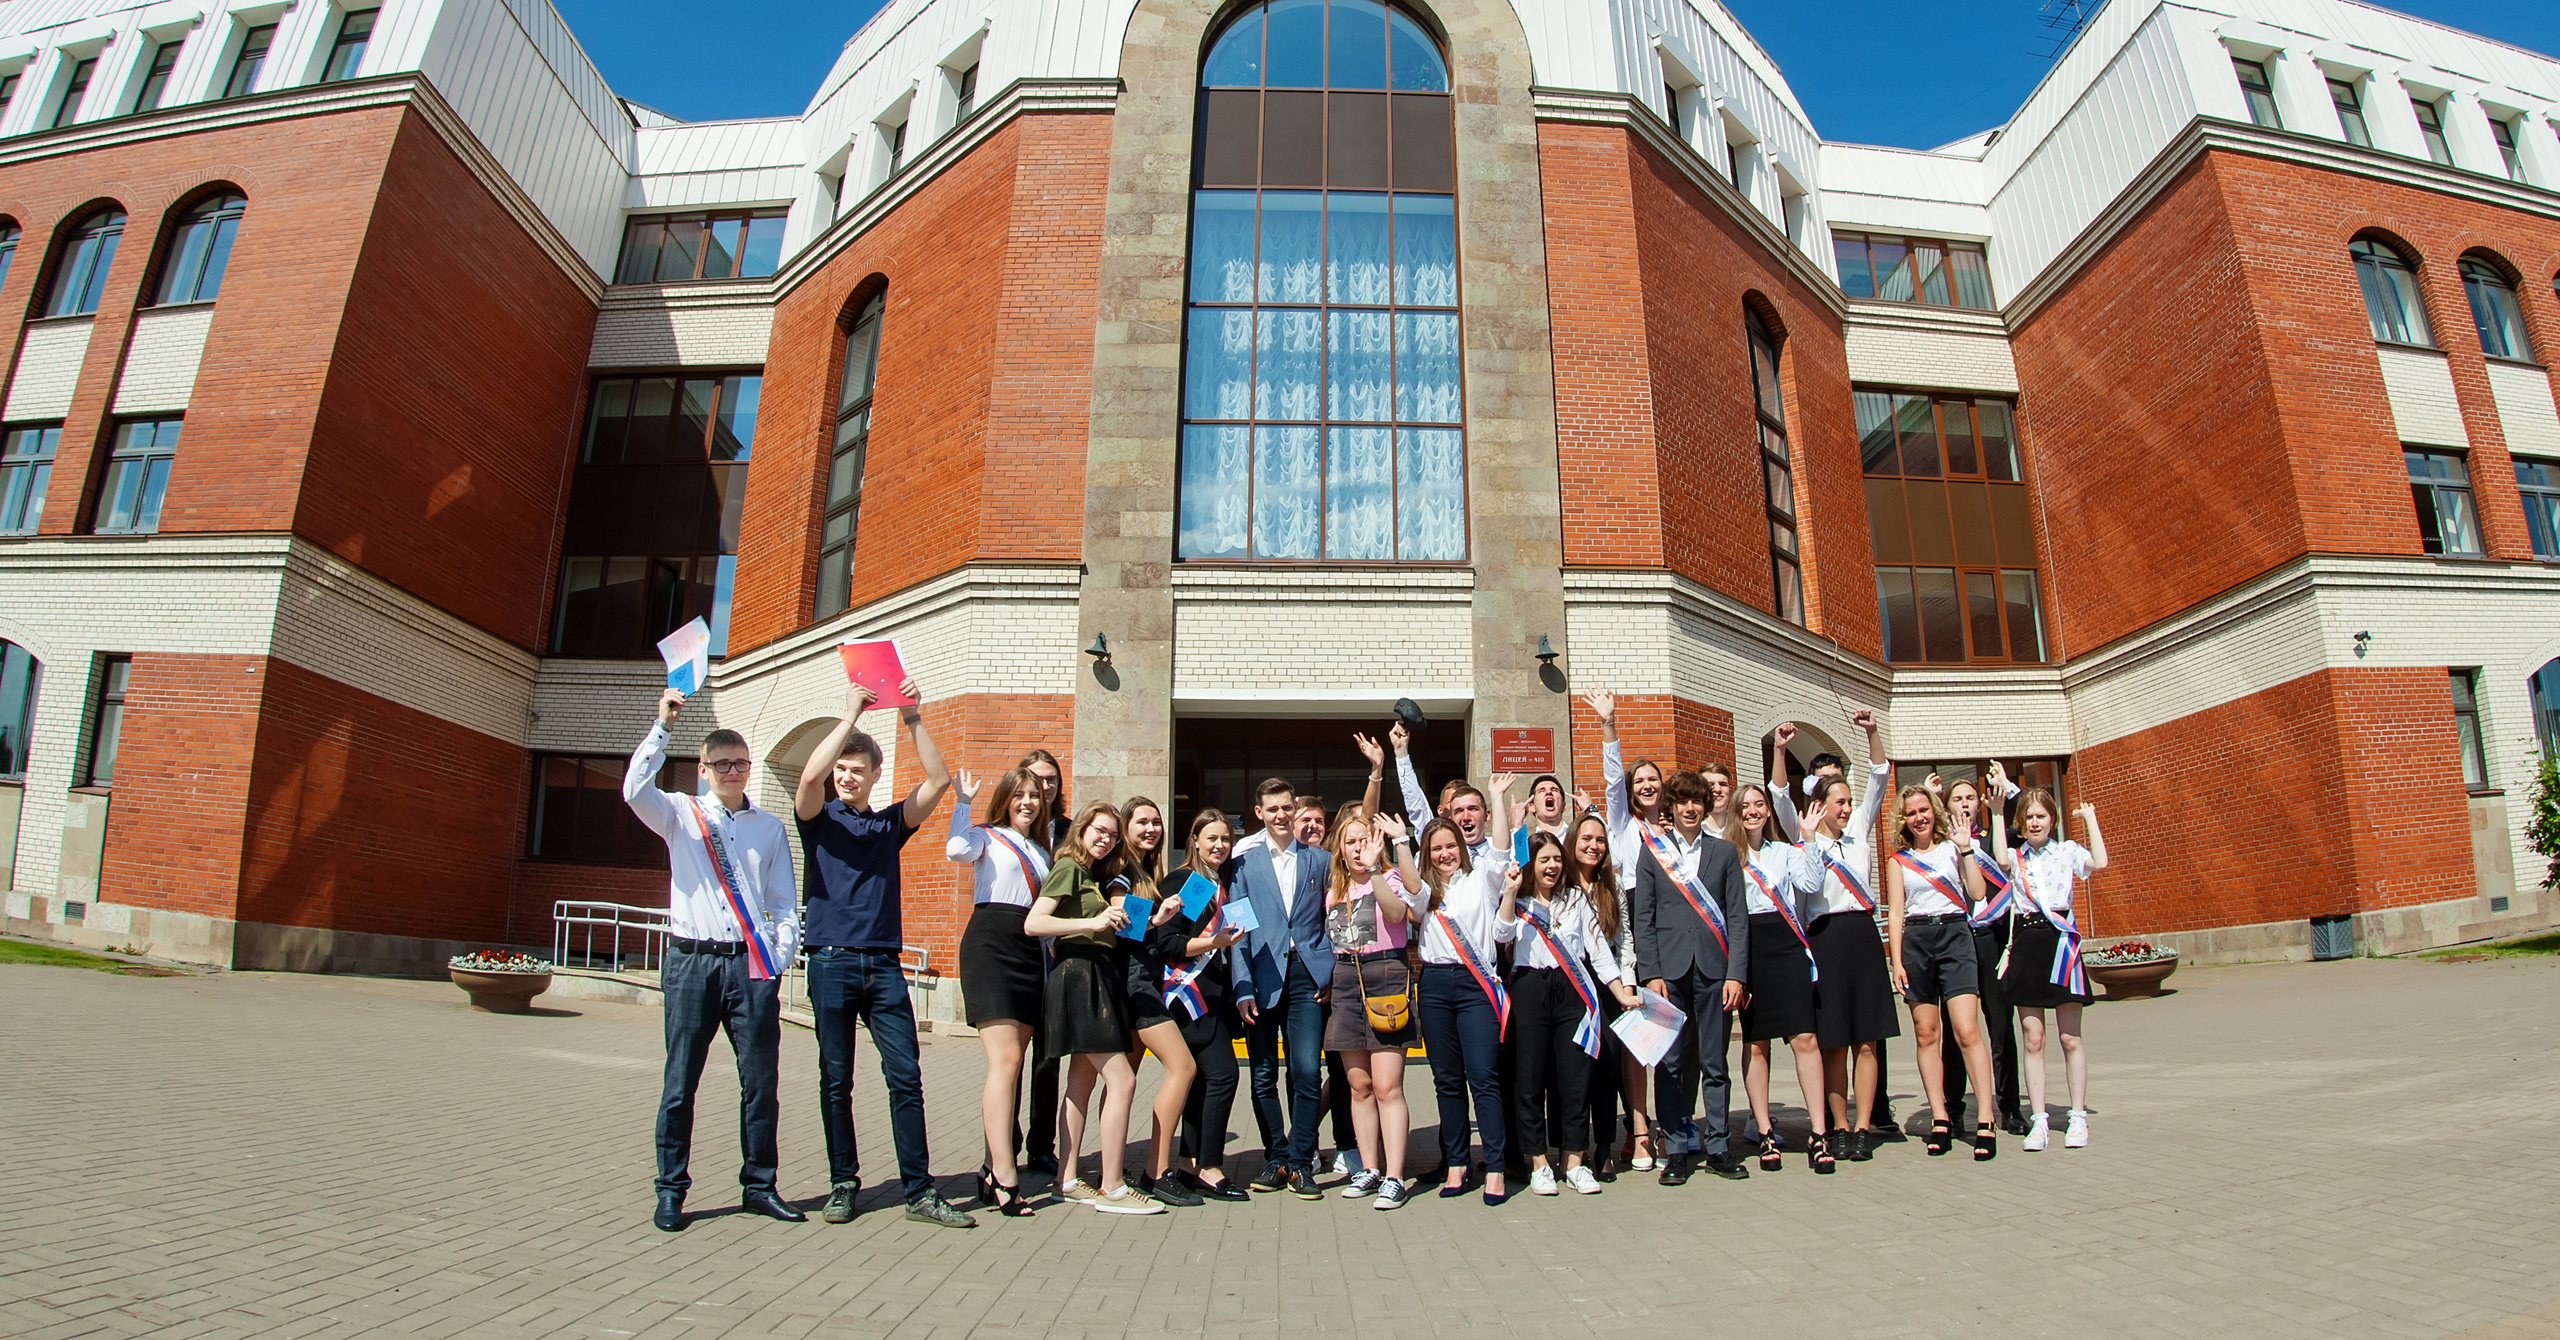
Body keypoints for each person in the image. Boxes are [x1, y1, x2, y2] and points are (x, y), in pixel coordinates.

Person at [792, 680, 973, 1229]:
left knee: (906, 1078)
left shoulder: (888, 825)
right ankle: (843, 1184)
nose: (847, 777)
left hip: (884, 967)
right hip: (830, 962)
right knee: (835, 1079)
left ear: (876, 775)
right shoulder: (818, 819)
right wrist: (849, 715)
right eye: (841, 769)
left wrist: (912, 717)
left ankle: (919, 1191)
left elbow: (938, 781)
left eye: (858, 770)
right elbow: (807, 779)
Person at [627, 688, 803, 1232]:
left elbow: (783, 903)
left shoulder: (769, 828)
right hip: (691, 964)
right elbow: (634, 789)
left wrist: (778, 959)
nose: (731, 772)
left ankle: (760, 1186)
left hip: (749, 968)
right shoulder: (679, 813)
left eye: (740, 763)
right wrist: (663, 727)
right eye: (721, 764)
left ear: (749, 769)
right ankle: (670, 1190)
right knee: (680, 1082)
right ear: (703, 769)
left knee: (761, 1082)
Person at [1026, 802, 1160, 1212]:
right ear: (1082, 828)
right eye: (1100, 831)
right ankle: (1113, 1186)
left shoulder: (1089, 875)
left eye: (1113, 836)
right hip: (1080, 973)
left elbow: (1118, 928)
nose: (1106, 840)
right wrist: (1091, 923)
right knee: (1123, 1081)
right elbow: (1034, 923)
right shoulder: (1068, 867)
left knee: (1081, 1083)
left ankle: (1066, 1179)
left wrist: (1158, 919)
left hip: (1095, 972)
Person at [1787, 709, 1899, 1164]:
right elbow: (1807, 893)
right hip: (1826, 938)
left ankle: (1863, 1126)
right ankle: (1838, 1125)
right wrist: (1809, 838)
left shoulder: (1857, 833)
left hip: (1862, 935)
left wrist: (1872, 732)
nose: (1848, 808)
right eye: (1839, 802)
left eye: (1850, 801)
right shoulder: (1806, 842)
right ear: (1820, 805)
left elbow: (1879, 774)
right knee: (1833, 1040)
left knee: (1866, 1040)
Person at [1631, 771, 1753, 1185]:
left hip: (1715, 971)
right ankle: (1677, 1149)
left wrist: (1736, 974)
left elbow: (1738, 917)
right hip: (1669, 972)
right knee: (1670, 1064)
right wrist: (1651, 973)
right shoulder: (1653, 852)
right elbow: (1644, 918)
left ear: (1706, 805)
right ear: (1671, 806)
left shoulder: (1724, 852)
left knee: (1714, 1061)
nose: (1689, 808)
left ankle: (1718, 1146)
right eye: (1682, 801)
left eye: (1696, 801)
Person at [1504, 830, 1639, 1195]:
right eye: (1543, 860)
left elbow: (1599, 951)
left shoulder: (1576, 898)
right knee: (1530, 1079)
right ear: (1531, 864)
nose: (1551, 866)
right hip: (1529, 989)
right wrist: (1510, 894)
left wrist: (1620, 993)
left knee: (1576, 1078)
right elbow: (1501, 937)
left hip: (1573, 990)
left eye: (1556, 859)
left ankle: (1575, 1161)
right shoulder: (1518, 901)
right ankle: (1539, 1162)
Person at [948, 765, 1049, 1216]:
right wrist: (963, 804)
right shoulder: (986, 836)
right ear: (1006, 798)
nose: (1027, 802)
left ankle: (991, 1167)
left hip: (1029, 949)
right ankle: (1007, 1177)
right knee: (1004, 1062)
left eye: (1035, 795)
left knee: (1015, 1064)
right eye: (1019, 794)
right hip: (991, 945)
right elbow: (955, 850)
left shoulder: (1042, 850)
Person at [1226, 777, 1334, 1198]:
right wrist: (1242, 986)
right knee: (1263, 1073)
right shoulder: (1242, 864)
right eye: (1272, 809)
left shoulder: (1320, 860)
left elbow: (1332, 920)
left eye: (1287, 807)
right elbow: (1237, 929)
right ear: (1259, 813)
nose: (1281, 815)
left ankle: (1302, 1162)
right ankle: (1276, 1157)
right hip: (1262, 976)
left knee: (1306, 1070)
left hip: (1308, 976)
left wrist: (1328, 973)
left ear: (1296, 807)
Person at [1884, 783, 2002, 1162]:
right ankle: (1940, 1118)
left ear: (1934, 811)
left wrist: (1966, 849)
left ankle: (1985, 1118)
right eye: (1911, 813)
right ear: (1903, 819)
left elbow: (1978, 893)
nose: (1919, 818)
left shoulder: (1954, 847)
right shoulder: (1898, 860)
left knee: (1967, 1031)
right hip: (1917, 941)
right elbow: (1896, 914)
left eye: (1924, 810)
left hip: (1954, 935)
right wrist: (1896, 961)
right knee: (1926, 1033)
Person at [1403, 815, 1514, 1203]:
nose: (1445, 854)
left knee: (1483, 1077)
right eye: (1436, 848)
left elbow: (1501, 850)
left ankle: (1496, 1167)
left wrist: (1496, 798)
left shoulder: (1481, 878)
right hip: (1434, 984)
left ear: (1462, 848)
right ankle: (1456, 1163)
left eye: (1451, 845)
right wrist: (1400, 841)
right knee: (1446, 1081)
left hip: (1475, 985)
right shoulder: (1424, 889)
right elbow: (1412, 890)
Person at [1993, 789, 2108, 1151]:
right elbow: (2000, 858)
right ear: (2020, 823)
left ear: (2053, 820)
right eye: (2028, 817)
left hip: (2061, 945)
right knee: (2033, 1037)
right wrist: (1996, 812)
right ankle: (2039, 1121)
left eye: (2041, 816)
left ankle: (2077, 1117)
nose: (2034, 822)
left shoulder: (2067, 851)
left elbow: (2100, 862)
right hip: (2028, 944)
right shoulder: (2017, 857)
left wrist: (2090, 820)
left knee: (2070, 1037)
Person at [1735, 725, 1828, 1173]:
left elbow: (1811, 884)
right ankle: (1765, 1131)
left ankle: (1818, 1132)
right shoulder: (1727, 856)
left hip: (1787, 945)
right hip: (1750, 948)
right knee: (1756, 1044)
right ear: (1737, 814)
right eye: (1746, 806)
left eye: (1759, 805)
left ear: (1767, 811)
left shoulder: (1786, 851)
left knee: (1804, 1037)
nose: (1753, 811)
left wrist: (1808, 838)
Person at [1322, 807, 1418, 1209]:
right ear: (1341, 850)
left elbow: (1397, 915)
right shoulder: (1334, 890)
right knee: (1359, 1087)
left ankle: (1395, 1176)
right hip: (1346, 979)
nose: (1358, 847)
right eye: (1351, 842)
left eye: (1365, 840)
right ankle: (1369, 1168)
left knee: (1386, 1086)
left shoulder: (1389, 878)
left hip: (1385, 977)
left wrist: (1377, 869)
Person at [1155, 810, 1250, 1202]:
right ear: (1194, 840)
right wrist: (1214, 943)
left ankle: (1189, 1164)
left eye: (1225, 839)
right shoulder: (1189, 884)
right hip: (1189, 997)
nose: (1219, 845)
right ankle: (1210, 1167)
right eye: (1211, 838)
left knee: (1201, 1084)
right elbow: (1170, 943)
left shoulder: (1222, 882)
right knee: (1224, 1075)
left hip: (1215, 998)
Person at [1114, 796, 1202, 1206]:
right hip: (1134, 982)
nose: (1151, 829)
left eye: (1156, 822)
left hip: (1144, 978)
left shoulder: (1149, 869)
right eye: (1142, 822)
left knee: (1123, 1080)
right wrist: (1158, 918)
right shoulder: (1122, 870)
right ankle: (1157, 1170)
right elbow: (1126, 926)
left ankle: (1113, 1169)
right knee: (1183, 1067)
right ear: (1125, 826)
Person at [1564, 810, 1653, 1181]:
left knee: (1607, 1067)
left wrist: (1627, 984)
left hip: (1610, 984)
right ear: (1573, 842)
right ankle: (1577, 1146)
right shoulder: (1561, 883)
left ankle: (1604, 1146)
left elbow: (1625, 938)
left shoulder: (1610, 885)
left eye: (1599, 840)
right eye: (1586, 839)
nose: (1593, 846)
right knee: (1577, 1070)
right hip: (1572, 985)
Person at [1940, 768, 2029, 1137]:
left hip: (1992, 936)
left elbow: (2026, 816)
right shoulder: (1940, 842)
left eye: (1970, 798)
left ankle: (2010, 1105)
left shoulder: (1995, 835)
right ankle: (1953, 1108)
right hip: (1956, 939)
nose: (1964, 804)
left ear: (1979, 803)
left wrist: (2007, 788)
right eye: (1957, 799)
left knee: (2000, 1022)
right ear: (1946, 806)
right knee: (1955, 1028)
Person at [1015, 749, 1069, 1179]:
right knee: (1010, 1058)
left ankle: (1041, 1146)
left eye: (1051, 779)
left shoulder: (1069, 830)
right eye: (1036, 779)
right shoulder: (1011, 830)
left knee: (1048, 1057)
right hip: (1017, 950)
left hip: (1058, 953)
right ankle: (1004, 1144)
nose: (1044, 787)